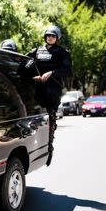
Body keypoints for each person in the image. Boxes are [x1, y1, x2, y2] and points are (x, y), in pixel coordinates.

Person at [23, 25, 72, 166]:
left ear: (57, 38)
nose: (50, 38)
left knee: (50, 118)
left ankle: (49, 146)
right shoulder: (36, 51)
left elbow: (68, 70)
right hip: (37, 89)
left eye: (53, 36)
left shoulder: (62, 52)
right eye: (48, 35)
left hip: (53, 90)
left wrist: (52, 73)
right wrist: (34, 77)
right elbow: (24, 65)